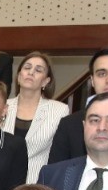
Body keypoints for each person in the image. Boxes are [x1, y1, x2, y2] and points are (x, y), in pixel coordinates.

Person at [4, 52, 71, 182]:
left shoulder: (59, 110)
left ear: (46, 81)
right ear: (18, 76)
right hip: (1, 182)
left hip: (37, 183)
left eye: (38, 70)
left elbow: (59, 155)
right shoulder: (2, 106)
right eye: (27, 68)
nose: (31, 72)